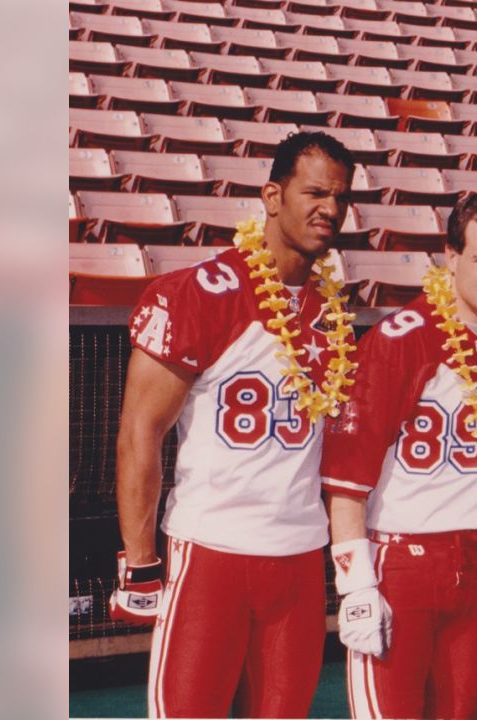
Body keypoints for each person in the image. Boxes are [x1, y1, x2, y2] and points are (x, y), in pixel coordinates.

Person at [111, 131, 357, 718]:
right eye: (315, 192)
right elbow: (139, 431)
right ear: (273, 196)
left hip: (299, 556)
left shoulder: (333, 312)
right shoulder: (199, 292)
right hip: (211, 553)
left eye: (341, 198)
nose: (330, 209)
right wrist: (141, 560)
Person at [319, 192, 477, 720]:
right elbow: (347, 476)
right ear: (451, 258)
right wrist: (356, 582)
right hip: (402, 564)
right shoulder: (402, 338)